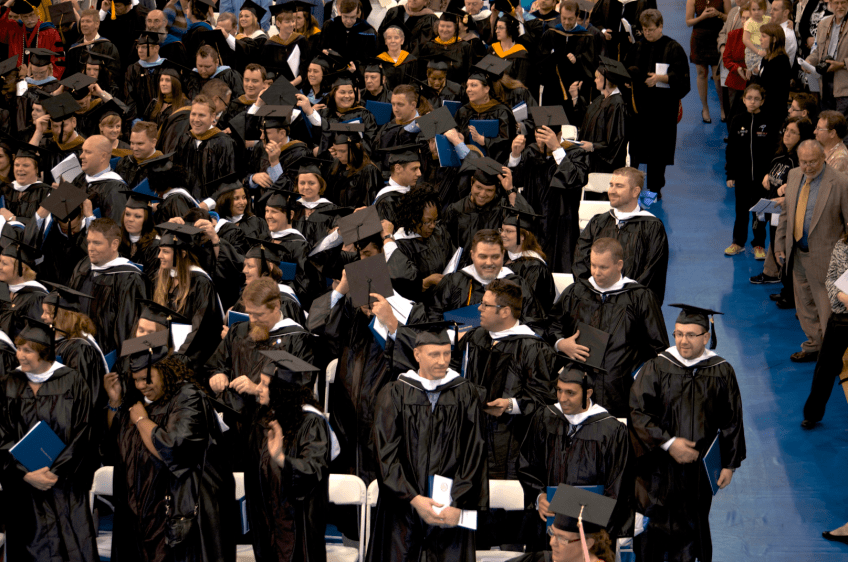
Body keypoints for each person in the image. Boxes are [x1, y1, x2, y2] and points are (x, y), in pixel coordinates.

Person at [630, 304, 746, 562]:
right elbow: (638, 413)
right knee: (655, 530)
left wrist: (729, 464)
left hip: (698, 471)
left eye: (691, 335)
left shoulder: (721, 370)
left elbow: (731, 419)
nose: (683, 341)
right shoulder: (656, 367)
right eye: (679, 334)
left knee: (693, 526)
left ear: (706, 337)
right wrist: (669, 443)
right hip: (658, 469)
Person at [366, 322, 488, 562]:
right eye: (434, 354)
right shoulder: (394, 393)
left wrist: (458, 502)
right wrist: (413, 498)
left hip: (450, 507)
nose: (443, 361)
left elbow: (475, 451)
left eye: (447, 354)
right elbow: (384, 454)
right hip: (402, 507)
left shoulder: (466, 393)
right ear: (417, 354)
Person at [103, 343, 236, 562]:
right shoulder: (136, 401)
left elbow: (174, 451)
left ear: (164, 370)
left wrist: (141, 420)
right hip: (142, 511)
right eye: (136, 379)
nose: (141, 385)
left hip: (176, 511)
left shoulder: (187, 398)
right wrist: (115, 401)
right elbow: (118, 444)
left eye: (147, 378)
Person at [0, 319, 98, 562]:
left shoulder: (72, 381)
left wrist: (55, 472)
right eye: (18, 348)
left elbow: (84, 431)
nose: (19, 355)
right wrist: (24, 473)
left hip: (64, 486)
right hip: (24, 489)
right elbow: (1, 434)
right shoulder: (8, 383)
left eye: (27, 350)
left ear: (44, 352)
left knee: (69, 549)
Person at [547, 237, 668, 417]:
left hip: (622, 391)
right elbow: (552, 324)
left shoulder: (640, 297)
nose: (596, 272)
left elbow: (658, 347)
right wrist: (561, 343)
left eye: (603, 267)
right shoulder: (576, 292)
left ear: (619, 265)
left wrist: (638, 376)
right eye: (593, 265)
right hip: (579, 387)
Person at [518, 361, 633, 549]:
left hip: (590, 533)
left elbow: (618, 490)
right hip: (548, 529)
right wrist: (539, 497)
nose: (562, 398)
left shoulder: (612, 431)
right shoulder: (545, 418)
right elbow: (527, 466)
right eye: (559, 390)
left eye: (570, 393)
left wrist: (566, 507)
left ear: (588, 393)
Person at [452, 278, 556, 482]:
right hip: (471, 435)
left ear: (505, 311)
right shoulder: (476, 337)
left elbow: (545, 400)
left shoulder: (533, 348)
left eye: (486, 305)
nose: (479, 309)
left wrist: (510, 405)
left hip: (510, 442)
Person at [207, 277, 315, 455]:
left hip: (271, 431)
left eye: (259, 314)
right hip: (235, 426)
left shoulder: (296, 339)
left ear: (276, 306)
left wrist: (257, 389)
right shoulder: (238, 331)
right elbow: (217, 364)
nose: (253, 320)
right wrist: (218, 375)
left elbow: (301, 389)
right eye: (250, 313)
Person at [245, 350, 334, 562]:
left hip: (298, 528)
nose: (259, 388)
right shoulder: (264, 421)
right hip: (268, 526)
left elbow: (313, 470)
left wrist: (281, 459)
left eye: (265, 384)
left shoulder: (312, 423)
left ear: (281, 390)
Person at [775, 139, 848, 362]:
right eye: (803, 162)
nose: (807, 167)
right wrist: (780, 243)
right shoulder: (794, 175)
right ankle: (814, 345)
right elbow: (787, 213)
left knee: (827, 310)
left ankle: (831, 355)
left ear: (823, 158)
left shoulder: (841, 182)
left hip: (827, 260)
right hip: (797, 253)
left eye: (813, 162)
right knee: (804, 305)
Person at [573, 167, 670, 304]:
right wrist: (593, 292)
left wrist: (621, 299)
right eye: (611, 185)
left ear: (635, 191)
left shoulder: (652, 227)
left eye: (619, 186)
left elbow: (652, 274)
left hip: (632, 307)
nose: (611, 191)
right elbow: (580, 262)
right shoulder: (598, 222)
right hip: (595, 303)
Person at [507, 116, 590, 273]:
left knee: (560, 268)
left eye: (545, 137)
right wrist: (515, 156)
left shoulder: (575, 153)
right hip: (534, 221)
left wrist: (557, 149)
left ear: (559, 135)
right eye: (538, 137)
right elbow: (516, 181)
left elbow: (576, 179)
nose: (541, 142)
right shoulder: (531, 152)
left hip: (561, 224)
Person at [625, 9, 690, 197]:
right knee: (635, 150)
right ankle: (631, 187)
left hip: (662, 111)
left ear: (661, 26)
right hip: (638, 109)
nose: (647, 33)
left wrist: (662, 78)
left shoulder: (673, 48)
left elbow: (683, 79)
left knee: (658, 153)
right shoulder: (637, 47)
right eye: (644, 29)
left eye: (651, 30)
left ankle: (654, 190)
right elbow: (626, 68)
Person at [750, 116, 815, 292]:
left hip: (786, 212)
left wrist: (786, 199)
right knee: (774, 241)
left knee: (785, 247)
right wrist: (767, 176)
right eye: (786, 130)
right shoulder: (781, 154)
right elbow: (775, 172)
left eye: (793, 132)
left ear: (802, 137)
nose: (787, 134)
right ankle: (773, 274)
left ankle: (788, 288)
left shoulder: (799, 161)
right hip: (772, 209)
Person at [430, 229, 545, 326]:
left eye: (495, 257)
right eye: (483, 256)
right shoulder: (453, 282)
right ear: (472, 255)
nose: (489, 263)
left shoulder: (517, 285)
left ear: (503, 254)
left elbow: (535, 324)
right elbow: (432, 320)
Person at [69, 218, 148, 354]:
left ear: (114, 244)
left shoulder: (129, 278)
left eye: (97, 243)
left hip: (109, 356)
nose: (90, 248)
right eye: (89, 242)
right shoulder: (83, 265)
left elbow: (128, 329)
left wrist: (120, 363)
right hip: (79, 352)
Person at [802, 230, 848, 428]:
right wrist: (842, 297)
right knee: (825, 367)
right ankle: (812, 414)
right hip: (841, 316)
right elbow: (830, 278)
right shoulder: (842, 245)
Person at [725, 84, 776, 259]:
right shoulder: (737, 120)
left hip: (762, 179)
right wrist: (730, 174)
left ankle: (759, 244)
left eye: (756, 99)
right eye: (749, 98)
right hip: (742, 177)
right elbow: (731, 149)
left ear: (762, 101)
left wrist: (769, 174)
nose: (752, 102)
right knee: (741, 211)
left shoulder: (769, 121)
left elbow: (774, 150)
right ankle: (738, 242)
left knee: (759, 212)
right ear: (744, 99)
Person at [40, 282, 108, 409]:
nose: (42, 316)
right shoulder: (60, 341)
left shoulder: (80, 349)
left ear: (61, 316)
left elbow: (83, 395)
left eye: (47, 312)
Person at [386, 184, 457, 302]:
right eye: (427, 222)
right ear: (413, 218)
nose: (432, 226)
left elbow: (453, 256)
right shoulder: (400, 245)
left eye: (435, 220)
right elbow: (403, 286)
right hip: (420, 306)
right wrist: (426, 282)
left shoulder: (439, 232)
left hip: (445, 298)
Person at [570, 56, 630, 174]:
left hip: (603, 165)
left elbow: (617, 139)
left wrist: (593, 146)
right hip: (591, 160)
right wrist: (575, 97)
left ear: (606, 80)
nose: (595, 80)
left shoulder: (617, 104)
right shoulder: (600, 99)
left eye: (597, 77)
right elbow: (586, 119)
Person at [173, 95, 238, 202]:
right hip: (185, 201)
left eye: (202, 115)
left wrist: (209, 203)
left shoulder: (225, 143)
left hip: (214, 205)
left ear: (213, 117)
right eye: (193, 114)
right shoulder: (185, 139)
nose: (196, 119)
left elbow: (228, 181)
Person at [500, 207, 556, 310]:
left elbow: (531, 305)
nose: (502, 234)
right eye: (502, 230)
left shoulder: (535, 267)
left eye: (509, 231)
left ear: (523, 236)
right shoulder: (502, 259)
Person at [686, 0, 730, 123]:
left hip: (717, 39)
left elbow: (730, 18)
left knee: (718, 76)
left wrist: (718, 14)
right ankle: (705, 108)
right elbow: (688, 22)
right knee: (701, 74)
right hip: (699, 39)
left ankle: (723, 107)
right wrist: (702, 17)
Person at [0, 0, 65, 79]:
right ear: (21, 17)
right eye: (25, 16)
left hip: (41, 80)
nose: (29, 19)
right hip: (16, 79)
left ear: (38, 14)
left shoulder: (50, 32)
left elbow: (59, 61)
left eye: (32, 15)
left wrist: (49, 81)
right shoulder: (15, 30)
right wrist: (9, 2)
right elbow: (1, 23)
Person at [71, 134, 128, 223]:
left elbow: (115, 228)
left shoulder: (115, 190)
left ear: (103, 156)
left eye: (88, 152)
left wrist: (90, 218)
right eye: (82, 151)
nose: (81, 156)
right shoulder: (81, 178)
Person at [0, 239, 49, 339]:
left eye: (4, 263)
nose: (0, 267)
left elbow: (37, 338)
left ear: (21, 269)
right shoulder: (8, 291)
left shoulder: (36, 298)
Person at [805, 0, 848, 114]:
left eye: (843, 2)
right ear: (831, 5)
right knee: (826, 119)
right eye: (836, 3)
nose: (840, 6)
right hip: (824, 83)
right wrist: (809, 61)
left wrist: (842, 64)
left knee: (840, 122)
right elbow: (818, 51)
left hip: (844, 86)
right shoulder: (823, 23)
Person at [319, 0, 379, 69]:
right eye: (345, 17)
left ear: (358, 14)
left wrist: (357, 66)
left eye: (352, 17)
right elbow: (320, 49)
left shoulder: (367, 31)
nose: (348, 21)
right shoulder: (330, 26)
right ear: (340, 13)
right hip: (331, 71)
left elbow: (370, 59)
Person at [0, 141, 51, 220]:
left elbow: (44, 224)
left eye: (25, 165)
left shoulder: (47, 193)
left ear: (36, 169)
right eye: (17, 165)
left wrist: (14, 219)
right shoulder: (4, 190)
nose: (20, 169)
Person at [754, 23, 792, 129]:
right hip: (763, 108)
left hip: (773, 113)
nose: (760, 39)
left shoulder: (781, 61)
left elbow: (776, 92)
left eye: (764, 36)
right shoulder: (766, 58)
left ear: (774, 39)